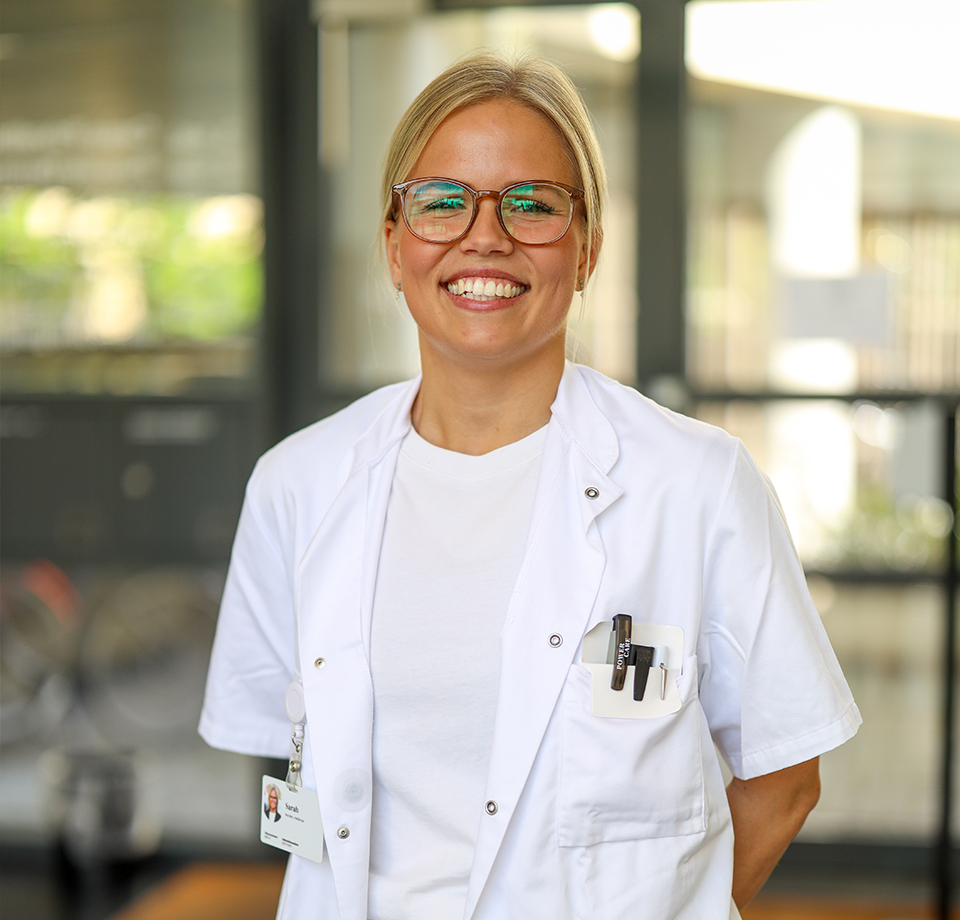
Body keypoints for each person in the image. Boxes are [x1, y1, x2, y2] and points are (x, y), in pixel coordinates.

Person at [199, 52, 860, 920]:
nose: (485, 236)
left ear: (587, 250)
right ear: (394, 246)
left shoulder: (696, 485)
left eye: (533, 204)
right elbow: (299, 779)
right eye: (441, 201)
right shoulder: (298, 485)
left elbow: (785, 779)